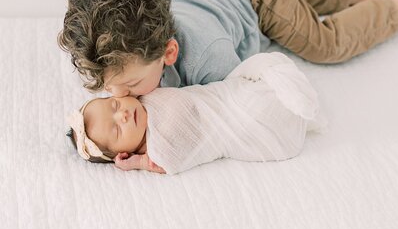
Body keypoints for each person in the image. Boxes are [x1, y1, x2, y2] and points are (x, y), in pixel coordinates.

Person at [59, 0, 398, 172]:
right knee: (294, 4)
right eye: (110, 89)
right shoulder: (126, 47)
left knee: (320, 42)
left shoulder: (209, 57)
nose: (121, 97)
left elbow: (230, 106)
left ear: (169, 53)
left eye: (131, 85)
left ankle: (389, 7)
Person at [67, 52, 325, 175]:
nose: (122, 116)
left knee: (266, 65)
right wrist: (141, 162)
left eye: (114, 106)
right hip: (247, 126)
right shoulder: (157, 149)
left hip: (231, 94)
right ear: (125, 153)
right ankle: (294, 100)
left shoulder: (147, 95)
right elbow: (175, 157)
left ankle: (290, 90)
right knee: (266, 103)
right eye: (117, 130)